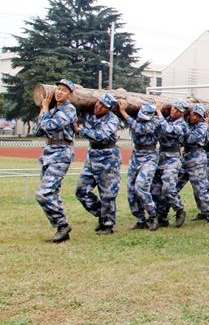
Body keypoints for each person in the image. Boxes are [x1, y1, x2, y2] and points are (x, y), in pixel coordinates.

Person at [35, 79, 78, 242]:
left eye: (64, 90)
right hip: (49, 153)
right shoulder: (52, 110)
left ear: (70, 95)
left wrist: (45, 110)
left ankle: (62, 223)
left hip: (61, 153)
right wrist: (44, 110)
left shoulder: (69, 109)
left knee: (43, 193)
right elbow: (38, 130)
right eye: (58, 89)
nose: (59, 92)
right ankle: (62, 230)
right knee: (52, 193)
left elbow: (51, 126)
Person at [75, 93, 122, 234]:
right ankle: (102, 214)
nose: (98, 106)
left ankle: (108, 225)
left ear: (109, 109)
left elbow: (100, 135)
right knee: (81, 191)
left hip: (108, 158)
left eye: (103, 106)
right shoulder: (90, 114)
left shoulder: (112, 120)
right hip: (92, 157)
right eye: (99, 102)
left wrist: (80, 130)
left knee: (107, 193)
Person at [120, 102, 160, 230]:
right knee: (131, 190)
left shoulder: (155, 122)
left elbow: (139, 128)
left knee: (141, 187)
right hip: (136, 155)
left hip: (149, 157)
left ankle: (153, 216)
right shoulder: (137, 117)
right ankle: (140, 219)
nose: (142, 118)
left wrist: (123, 112)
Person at [151, 100, 189, 230]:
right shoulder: (166, 118)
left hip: (173, 158)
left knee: (168, 188)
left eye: (178, 110)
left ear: (182, 113)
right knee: (155, 190)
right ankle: (160, 217)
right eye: (174, 108)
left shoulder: (182, 125)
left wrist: (158, 112)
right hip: (160, 157)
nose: (174, 111)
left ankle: (179, 210)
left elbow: (168, 130)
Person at [182, 104, 209, 224]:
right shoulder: (186, 122)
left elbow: (190, 139)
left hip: (197, 160)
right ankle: (165, 215)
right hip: (185, 158)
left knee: (200, 189)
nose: (195, 117)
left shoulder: (203, 126)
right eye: (193, 114)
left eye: (198, 116)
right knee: (173, 186)